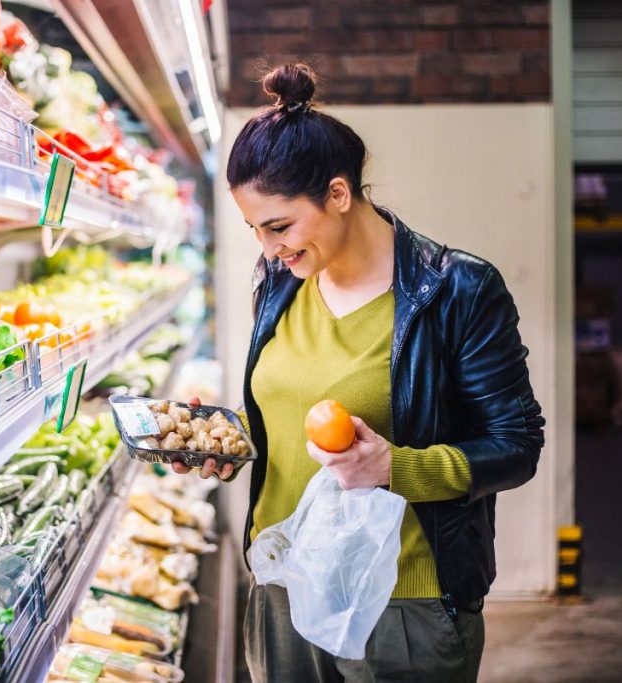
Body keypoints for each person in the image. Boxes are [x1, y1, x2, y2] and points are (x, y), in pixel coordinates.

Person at [170, 63, 545, 682]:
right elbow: (291, 414)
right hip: (282, 581)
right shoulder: (280, 283)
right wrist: (229, 441)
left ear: (339, 195)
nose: (268, 249)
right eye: (255, 231)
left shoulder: (458, 290)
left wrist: (393, 467)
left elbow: (516, 447)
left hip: (402, 600)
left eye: (279, 225)